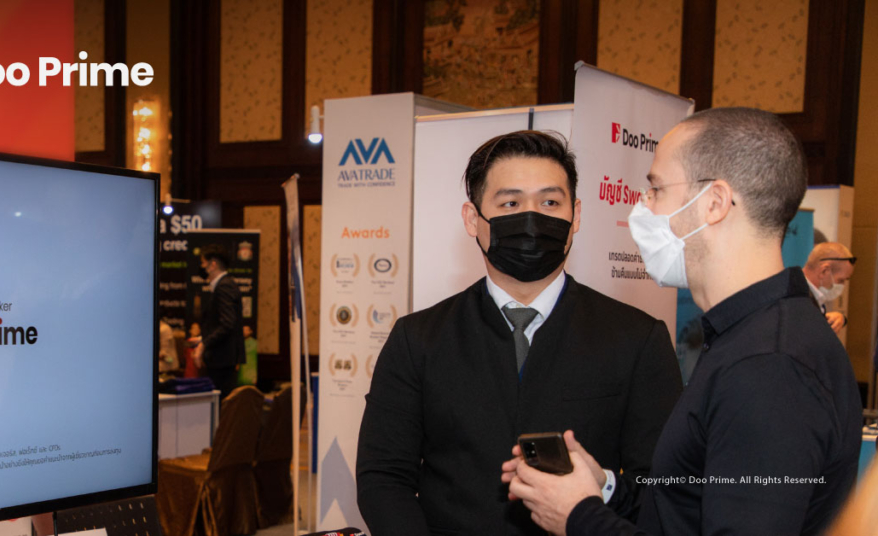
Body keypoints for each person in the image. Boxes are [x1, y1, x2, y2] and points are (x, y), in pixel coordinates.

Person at [502, 108, 863, 535]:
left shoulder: (768, 366)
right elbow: (693, 503)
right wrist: (604, 489)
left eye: (656, 189)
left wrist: (579, 517)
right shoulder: (750, 335)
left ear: (714, 203)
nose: (643, 205)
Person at [356, 130, 683, 535]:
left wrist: (602, 488)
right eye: (510, 203)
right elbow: (383, 477)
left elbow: (663, 486)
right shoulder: (418, 338)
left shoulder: (637, 339)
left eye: (550, 202)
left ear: (576, 216)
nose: (532, 219)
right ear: (473, 219)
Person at [194, 245, 244, 397]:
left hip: (222, 359)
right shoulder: (224, 285)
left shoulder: (224, 286)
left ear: (213, 264)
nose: (201, 267)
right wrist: (202, 338)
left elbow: (227, 323)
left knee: (220, 404)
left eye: (203, 262)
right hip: (222, 359)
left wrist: (204, 344)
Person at [803, 242, 856, 334]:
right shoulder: (796, 297)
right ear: (824, 270)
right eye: (840, 280)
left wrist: (841, 318)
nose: (842, 286)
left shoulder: (812, 296)